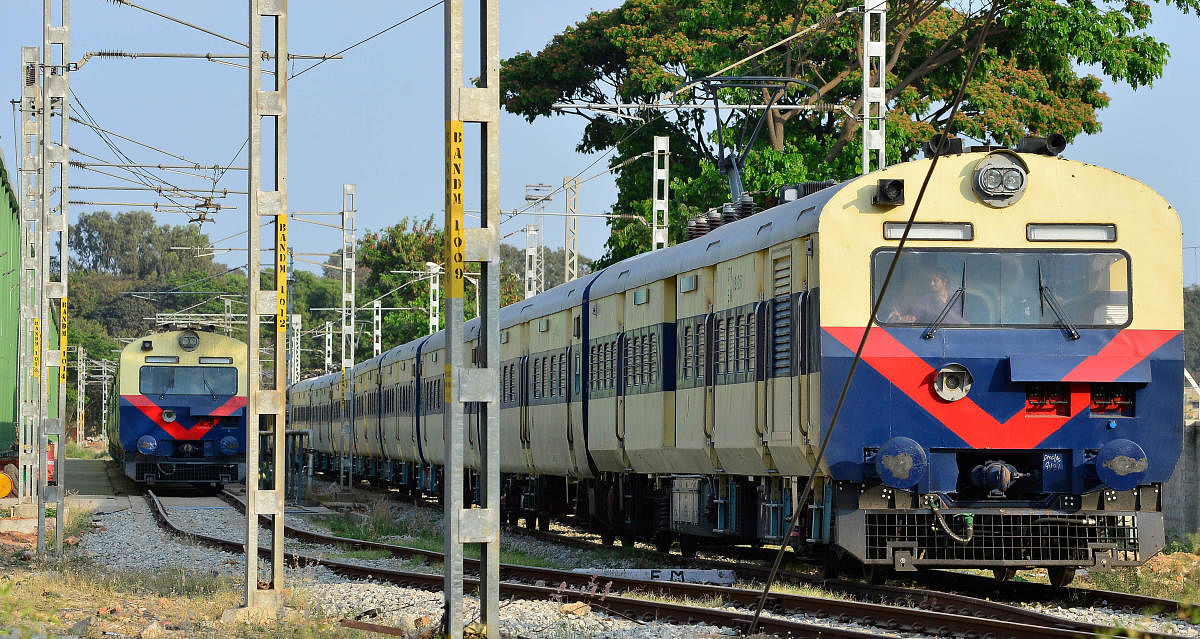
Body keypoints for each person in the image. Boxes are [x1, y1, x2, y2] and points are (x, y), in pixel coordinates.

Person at [888, 267, 964, 324]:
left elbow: (966, 323)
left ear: (945, 282)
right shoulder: (926, 300)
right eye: (930, 281)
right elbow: (913, 317)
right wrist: (900, 318)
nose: (931, 284)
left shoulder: (956, 299)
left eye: (935, 281)